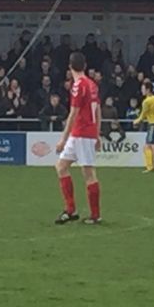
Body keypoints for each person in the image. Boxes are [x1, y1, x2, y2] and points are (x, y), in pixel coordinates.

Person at [54, 52, 102, 225]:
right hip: (82, 133)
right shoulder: (92, 84)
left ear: (69, 67)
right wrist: (97, 134)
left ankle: (95, 215)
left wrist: (62, 139)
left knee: (88, 173)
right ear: (85, 65)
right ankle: (70, 209)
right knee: (61, 166)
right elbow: (97, 110)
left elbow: (73, 113)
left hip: (82, 133)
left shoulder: (78, 85)